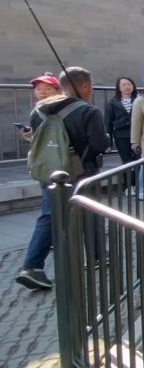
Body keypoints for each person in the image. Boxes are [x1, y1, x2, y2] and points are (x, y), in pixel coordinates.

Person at [18, 67, 108, 291]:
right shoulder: (88, 111)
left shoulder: (39, 110)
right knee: (88, 210)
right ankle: (94, 256)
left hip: (49, 170)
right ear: (85, 86)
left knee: (50, 214)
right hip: (81, 172)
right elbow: (99, 144)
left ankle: (34, 266)